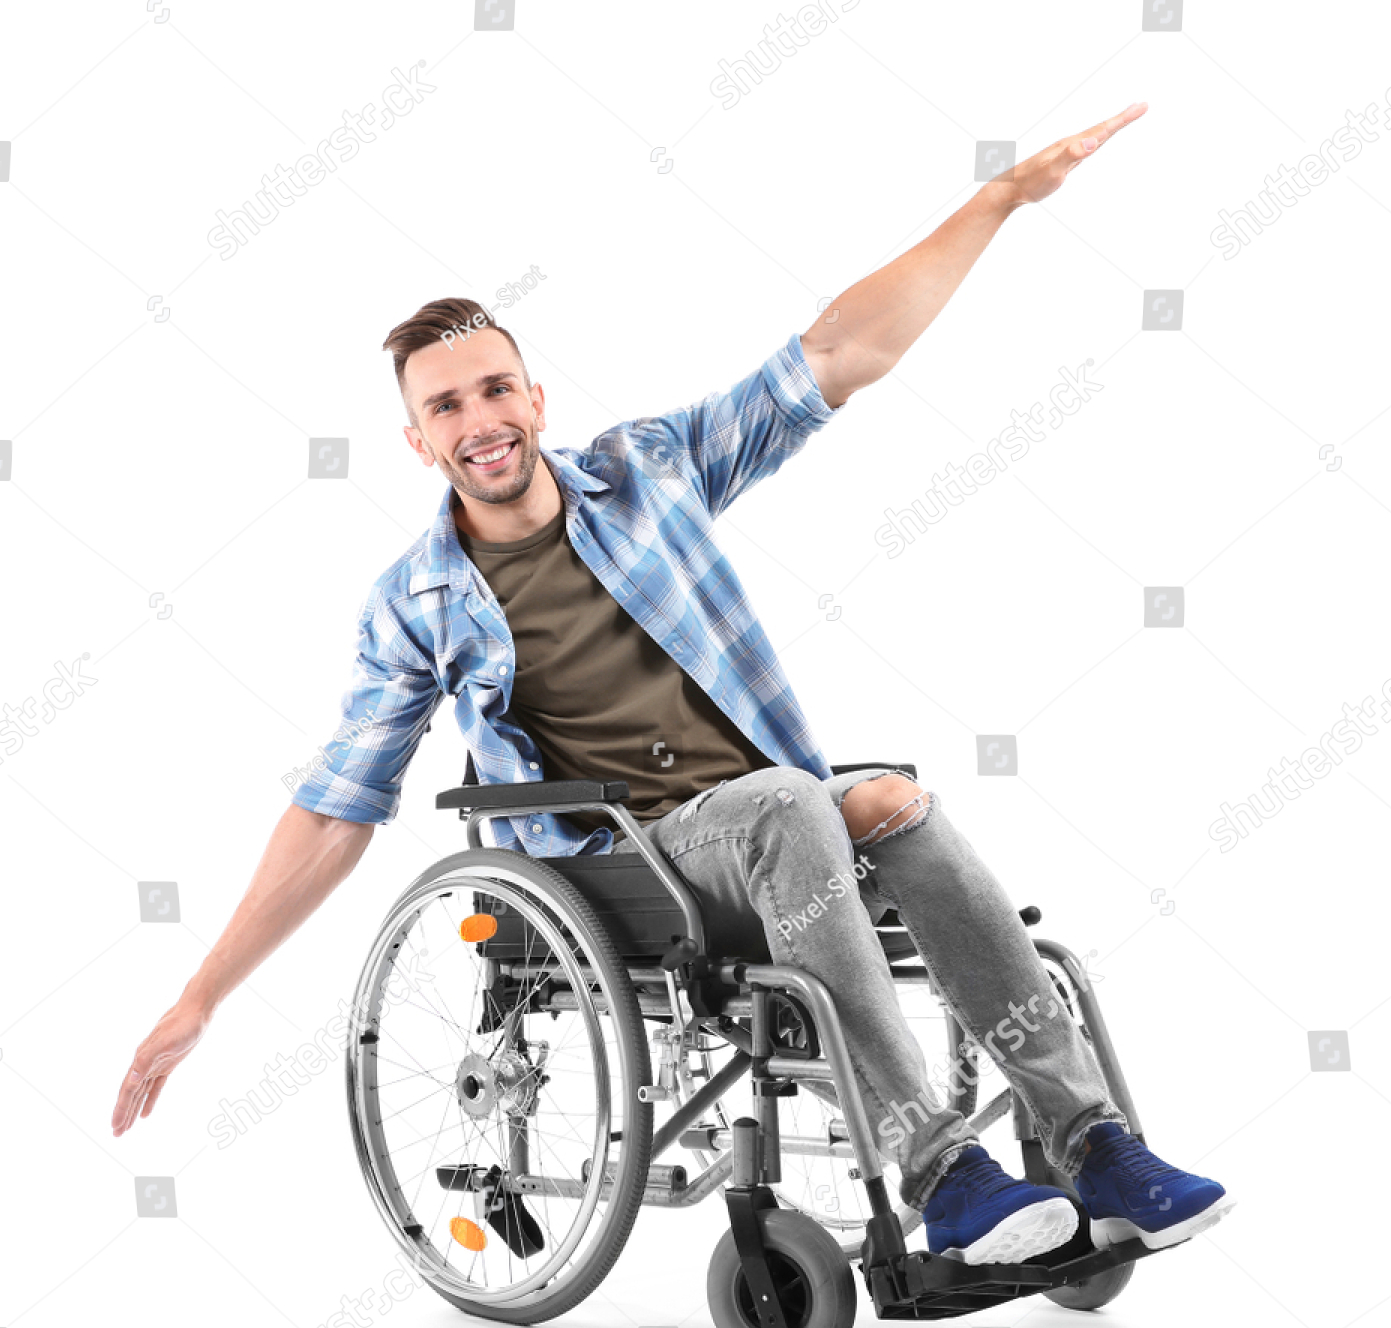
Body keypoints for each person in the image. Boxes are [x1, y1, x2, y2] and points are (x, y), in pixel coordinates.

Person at [114, 101, 1233, 1266]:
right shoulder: (416, 600)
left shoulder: (647, 470)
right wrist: (202, 995)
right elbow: (335, 809)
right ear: (417, 441)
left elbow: (839, 353)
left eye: (496, 389)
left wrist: (997, 202)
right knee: (795, 801)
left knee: (891, 796)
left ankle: (1092, 1140)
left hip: (763, 819)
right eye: (445, 406)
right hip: (616, 867)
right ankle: (942, 1172)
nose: (480, 421)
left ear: (535, 399)